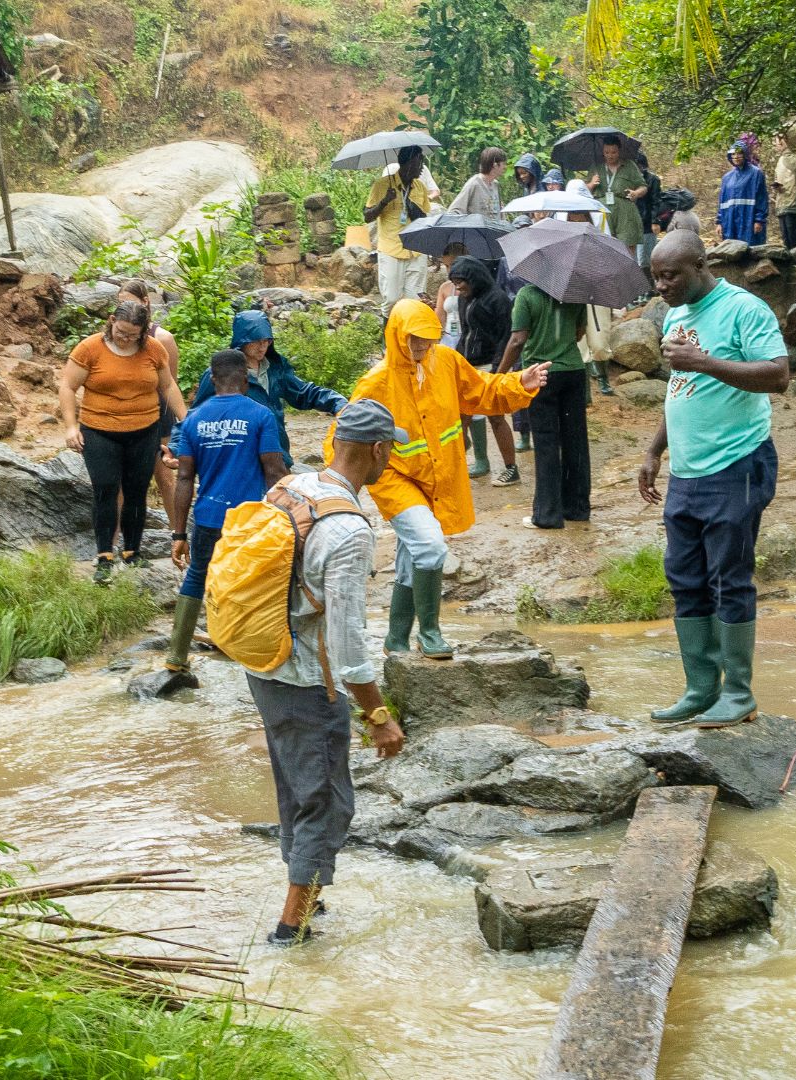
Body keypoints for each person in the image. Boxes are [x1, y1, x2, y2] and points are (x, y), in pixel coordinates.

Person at [247, 399, 407, 946]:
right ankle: (289, 931)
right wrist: (377, 713)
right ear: (379, 450)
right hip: (308, 683)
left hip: (261, 663)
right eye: (391, 449)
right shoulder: (350, 531)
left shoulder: (291, 488)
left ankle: (311, 899)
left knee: (296, 788)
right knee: (328, 802)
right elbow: (347, 646)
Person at [327, 299, 548, 658]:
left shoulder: (445, 362)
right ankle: (430, 632)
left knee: (411, 553)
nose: (421, 347)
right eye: (414, 339)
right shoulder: (377, 382)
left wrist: (520, 383)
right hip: (395, 479)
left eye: (428, 339)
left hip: (437, 477)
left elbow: (481, 391)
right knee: (429, 547)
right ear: (397, 335)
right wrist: (338, 485)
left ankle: (395, 641)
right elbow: (340, 437)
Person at [639, 231, 789, 728]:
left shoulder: (745, 309)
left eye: (670, 276)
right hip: (686, 470)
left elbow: (778, 375)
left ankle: (739, 693)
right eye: (656, 277)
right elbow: (683, 387)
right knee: (685, 579)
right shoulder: (678, 313)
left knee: (730, 579)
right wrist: (654, 451)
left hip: (737, 463)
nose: (661, 286)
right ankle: (701, 688)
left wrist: (703, 361)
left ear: (701, 266)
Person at [165, 349, 287, 674]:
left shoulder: (194, 420)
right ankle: (247, 649)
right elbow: (274, 471)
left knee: (196, 576)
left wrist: (178, 534)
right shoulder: (261, 416)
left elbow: (184, 478)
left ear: (213, 379)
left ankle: (176, 657)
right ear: (245, 378)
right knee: (247, 581)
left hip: (207, 518)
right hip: (247, 522)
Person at [59, 300, 188, 583]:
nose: (125, 338)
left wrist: (185, 420)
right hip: (99, 430)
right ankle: (104, 555)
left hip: (144, 430)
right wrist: (71, 427)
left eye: (132, 335)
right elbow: (68, 386)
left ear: (143, 332)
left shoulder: (154, 349)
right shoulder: (90, 348)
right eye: (121, 332)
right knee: (106, 488)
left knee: (136, 490)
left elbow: (167, 386)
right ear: (111, 321)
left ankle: (132, 552)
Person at [169, 309, 346, 472]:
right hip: (240, 458)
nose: (262, 347)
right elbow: (196, 414)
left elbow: (304, 393)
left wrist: (338, 403)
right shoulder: (221, 373)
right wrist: (175, 447)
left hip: (277, 454)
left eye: (266, 341)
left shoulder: (275, 368)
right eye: (256, 342)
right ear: (242, 341)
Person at [498, 282, 588, 530]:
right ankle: (577, 508)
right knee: (576, 441)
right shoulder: (576, 292)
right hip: (573, 370)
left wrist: (500, 374)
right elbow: (579, 332)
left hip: (541, 374)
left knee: (546, 443)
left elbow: (517, 340)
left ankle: (547, 514)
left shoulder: (527, 295)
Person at [449, 255, 521, 486]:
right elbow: (465, 333)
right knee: (460, 418)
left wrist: (498, 372)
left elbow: (505, 338)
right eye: (455, 281)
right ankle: (454, 468)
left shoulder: (497, 299)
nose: (458, 286)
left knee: (496, 418)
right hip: (467, 365)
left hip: (490, 365)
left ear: (475, 278)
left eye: (461, 281)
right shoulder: (463, 298)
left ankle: (511, 469)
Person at [116, 279, 180, 526]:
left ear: (145, 302)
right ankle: (117, 546)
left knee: (166, 478)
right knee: (122, 482)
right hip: (125, 414)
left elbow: (170, 384)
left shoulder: (163, 339)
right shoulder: (116, 336)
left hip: (159, 416)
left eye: (130, 303)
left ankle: (179, 535)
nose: (126, 308)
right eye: (121, 304)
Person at [561, 180, 614, 396]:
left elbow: (609, 251)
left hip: (597, 287)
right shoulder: (559, 221)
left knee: (600, 340)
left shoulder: (599, 219)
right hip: (573, 289)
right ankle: (584, 392)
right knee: (579, 342)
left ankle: (603, 375)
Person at [364, 145, 431, 316]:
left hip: (416, 251)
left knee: (416, 302)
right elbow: (367, 216)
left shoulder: (420, 188)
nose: (422, 167)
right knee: (391, 300)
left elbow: (425, 219)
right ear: (408, 163)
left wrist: (412, 207)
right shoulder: (382, 185)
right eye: (419, 162)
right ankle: (388, 341)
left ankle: (410, 341)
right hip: (391, 249)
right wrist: (384, 201)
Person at [495, 216, 535, 452]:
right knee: (519, 379)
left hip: (536, 323)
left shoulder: (541, 258)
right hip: (514, 322)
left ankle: (541, 431)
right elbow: (500, 291)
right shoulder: (504, 261)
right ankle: (524, 434)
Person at [586, 135, 646, 255]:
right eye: (606, 152)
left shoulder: (629, 166)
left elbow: (643, 186)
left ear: (619, 151)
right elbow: (584, 191)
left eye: (613, 152)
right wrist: (592, 183)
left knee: (627, 248)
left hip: (625, 214)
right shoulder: (596, 168)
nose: (610, 155)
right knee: (605, 248)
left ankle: (629, 272)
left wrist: (636, 193)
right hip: (603, 213)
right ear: (603, 152)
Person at [772, 127, 796, 250]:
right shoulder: (782, 157)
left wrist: (787, 153)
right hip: (782, 204)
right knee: (787, 243)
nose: (778, 144)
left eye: (781, 141)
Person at [448, 147, 507, 220]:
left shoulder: (496, 185)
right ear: (495, 165)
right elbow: (455, 210)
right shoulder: (474, 183)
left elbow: (500, 213)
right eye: (503, 164)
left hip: (494, 229)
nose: (505, 167)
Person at [434, 241, 468, 348]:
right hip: (448, 338)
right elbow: (439, 318)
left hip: (468, 339)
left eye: (453, 265)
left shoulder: (476, 286)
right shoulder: (445, 287)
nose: (449, 270)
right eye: (446, 266)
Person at [635, 151, 662, 276]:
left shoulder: (652, 180)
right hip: (632, 222)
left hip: (647, 222)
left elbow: (656, 201)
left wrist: (655, 221)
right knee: (636, 257)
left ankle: (650, 286)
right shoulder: (628, 180)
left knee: (646, 257)